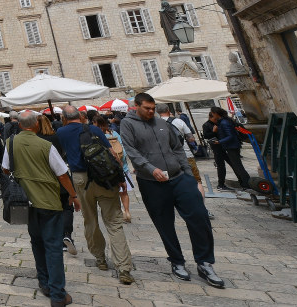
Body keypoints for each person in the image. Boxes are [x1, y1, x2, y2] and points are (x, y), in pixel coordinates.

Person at [120, 93, 223, 289]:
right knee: (164, 223)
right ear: (137, 106)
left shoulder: (162, 123)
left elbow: (177, 147)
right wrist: (151, 168)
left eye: (153, 108)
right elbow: (131, 150)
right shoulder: (128, 124)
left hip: (178, 177)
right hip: (152, 181)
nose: (151, 111)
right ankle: (177, 261)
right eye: (147, 108)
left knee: (199, 216)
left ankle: (204, 262)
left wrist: (187, 173)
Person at [2, 111, 81, 307]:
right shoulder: (46, 146)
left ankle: (45, 283)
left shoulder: (11, 143)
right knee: (53, 247)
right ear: (36, 124)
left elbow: (5, 168)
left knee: (37, 242)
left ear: (20, 125)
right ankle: (58, 294)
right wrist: (73, 195)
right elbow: (62, 174)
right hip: (48, 201)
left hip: (25, 202)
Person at [57, 106, 133, 285]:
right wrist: (121, 178)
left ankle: (100, 259)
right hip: (104, 177)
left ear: (64, 118)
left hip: (81, 179)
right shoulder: (94, 129)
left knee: (90, 220)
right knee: (114, 223)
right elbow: (113, 154)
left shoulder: (61, 133)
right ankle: (123, 268)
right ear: (80, 115)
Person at [38, 114, 78, 259]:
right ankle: (66, 234)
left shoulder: (36, 139)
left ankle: (53, 237)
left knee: (51, 209)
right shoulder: (57, 137)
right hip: (61, 175)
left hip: (44, 179)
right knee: (67, 207)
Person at [95, 115, 133, 223]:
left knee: (114, 193)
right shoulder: (114, 133)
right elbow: (123, 149)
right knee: (124, 192)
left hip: (110, 169)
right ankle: (127, 212)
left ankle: (118, 213)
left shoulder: (98, 136)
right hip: (122, 167)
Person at [207, 107, 251, 190]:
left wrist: (219, 142)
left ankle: (247, 184)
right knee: (237, 165)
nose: (212, 115)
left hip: (232, 146)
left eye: (212, 113)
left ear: (216, 114)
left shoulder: (224, 122)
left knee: (238, 166)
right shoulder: (223, 121)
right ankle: (245, 183)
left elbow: (230, 136)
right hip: (230, 146)